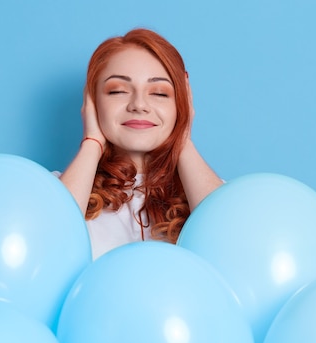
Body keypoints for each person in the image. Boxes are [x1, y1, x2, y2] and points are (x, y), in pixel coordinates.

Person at [60, 28, 223, 259]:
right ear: (93, 103)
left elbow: (234, 243)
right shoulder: (60, 189)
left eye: (159, 93)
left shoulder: (211, 192)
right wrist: (92, 142)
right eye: (117, 90)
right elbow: (46, 241)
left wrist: (182, 140)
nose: (139, 105)